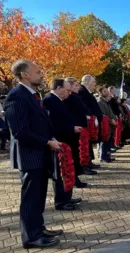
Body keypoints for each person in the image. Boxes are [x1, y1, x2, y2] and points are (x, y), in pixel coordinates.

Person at [4, 59, 63, 248]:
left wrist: (51, 137)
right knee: (30, 198)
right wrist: (47, 142)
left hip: (40, 154)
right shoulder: (16, 96)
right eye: (37, 71)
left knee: (39, 196)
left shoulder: (33, 95)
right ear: (25, 74)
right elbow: (20, 131)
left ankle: (39, 228)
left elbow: (40, 123)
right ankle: (31, 237)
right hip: (29, 156)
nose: (41, 74)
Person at [43, 79, 83, 210]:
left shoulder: (58, 100)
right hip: (58, 141)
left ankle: (67, 197)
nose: (69, 93)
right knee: (60, 172)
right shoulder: (49, 100)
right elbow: (53, 124)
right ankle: (61, 201)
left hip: (65, 139)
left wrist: (72, 127)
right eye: (67, 90)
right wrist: (71, 128)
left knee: (67, 170)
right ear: (59, 88)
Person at [63, 77, 95, 183]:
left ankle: (78, 173)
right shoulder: (69, 98)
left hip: (79, 128)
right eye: (76, 85)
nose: (78, 87)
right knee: (75, 154)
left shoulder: (74, 96)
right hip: (74, 128)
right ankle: (76, 177)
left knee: (78, 152)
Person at [78, 75, 103, 170]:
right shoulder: (82, 92)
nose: (94, 85)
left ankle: (89, 161)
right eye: (93, 83)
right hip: (87, 123)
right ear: (86, 82)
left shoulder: (86, 92)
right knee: (86, 145)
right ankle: (86, 163)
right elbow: (84, 108)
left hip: (91, 123)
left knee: (89, 143)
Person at [97, 86, 117, 163]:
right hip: (106, 125)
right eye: (105, 91)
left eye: (107, 91)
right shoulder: (100, 102)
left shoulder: (105, 101)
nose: (107, 92)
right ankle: (103, 157)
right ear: (100, 93)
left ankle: (107, 156)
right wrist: (110, 120)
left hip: (110, 125)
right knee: (104, 142)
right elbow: (103, 115)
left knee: (108, 142)